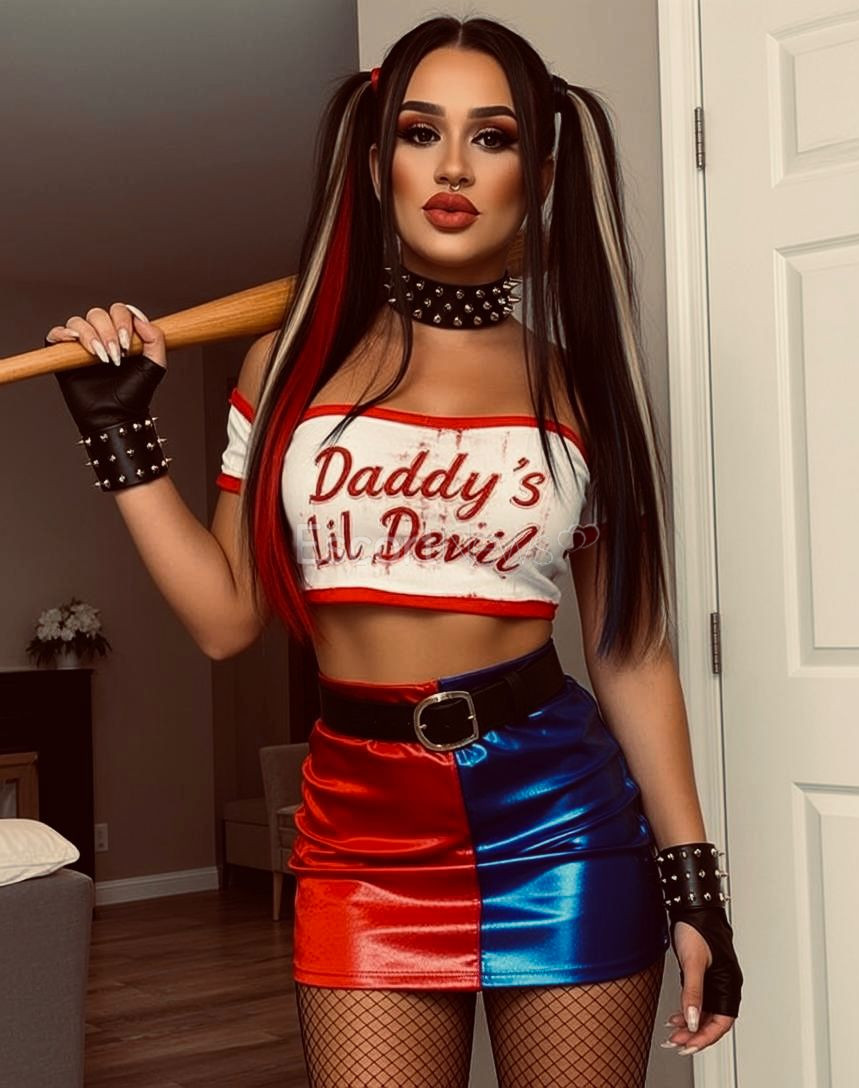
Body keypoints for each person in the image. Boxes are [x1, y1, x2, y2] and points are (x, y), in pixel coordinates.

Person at [44, 14, 743, 1087]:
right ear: (377, 166)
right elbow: (226, 621)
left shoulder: (579, 388)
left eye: (492, 137)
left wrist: (693, 881)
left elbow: (628, 648)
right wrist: (121, 438)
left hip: (560, 823)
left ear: (539, 176)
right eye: (420, 132)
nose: (453, 166)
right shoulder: (285, 366)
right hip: (359, 830)